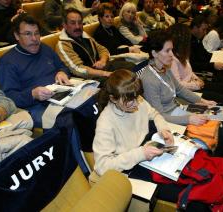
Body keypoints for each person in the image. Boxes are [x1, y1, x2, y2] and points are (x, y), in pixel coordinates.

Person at [90, 69, 210, 211]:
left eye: (137, 97)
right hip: (134, 164)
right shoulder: (106, 123)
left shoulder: (135, 98)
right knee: (193, 196)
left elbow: (154, 113)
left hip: (149, 148)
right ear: (113, 98)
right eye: (129, 101)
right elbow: (101, 166)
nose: (135, 104)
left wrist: (164, 129)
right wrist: (140, 154)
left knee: (201, 162)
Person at [0, 14, 71, 127]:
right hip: (33, 107)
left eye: (36, 33)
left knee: (89, 102)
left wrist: (62, 72)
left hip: (60, 95)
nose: (34, 39)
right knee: (67, 118)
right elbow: (9, 97)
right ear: (17, 35)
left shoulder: (45, 48)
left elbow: (63, 66)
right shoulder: (7, 62)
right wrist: (32, 94)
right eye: (28, 34)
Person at [139, 29, 216, 126]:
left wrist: (202, 101)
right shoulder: (148, 80)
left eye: (172, 49)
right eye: (167, 50)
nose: (172, 54)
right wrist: (188, 119)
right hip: (167, 120)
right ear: (154, 53)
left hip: (176, 109)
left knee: (215, 120)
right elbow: (159, 116)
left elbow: (179, 89)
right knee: (215, 127)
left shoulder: (164, 68)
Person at [56, 8, 134, 80]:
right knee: (118, 79)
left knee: (131, 66)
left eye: (80, 23)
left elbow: (103, 49)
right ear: (64, 25)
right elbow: (78, 69)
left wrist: (102, 61)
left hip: (101, 69)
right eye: (73, 23)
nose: (77, 26)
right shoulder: (63, 44)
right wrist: (104, 73)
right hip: (87, 78)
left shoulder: (84, 35)